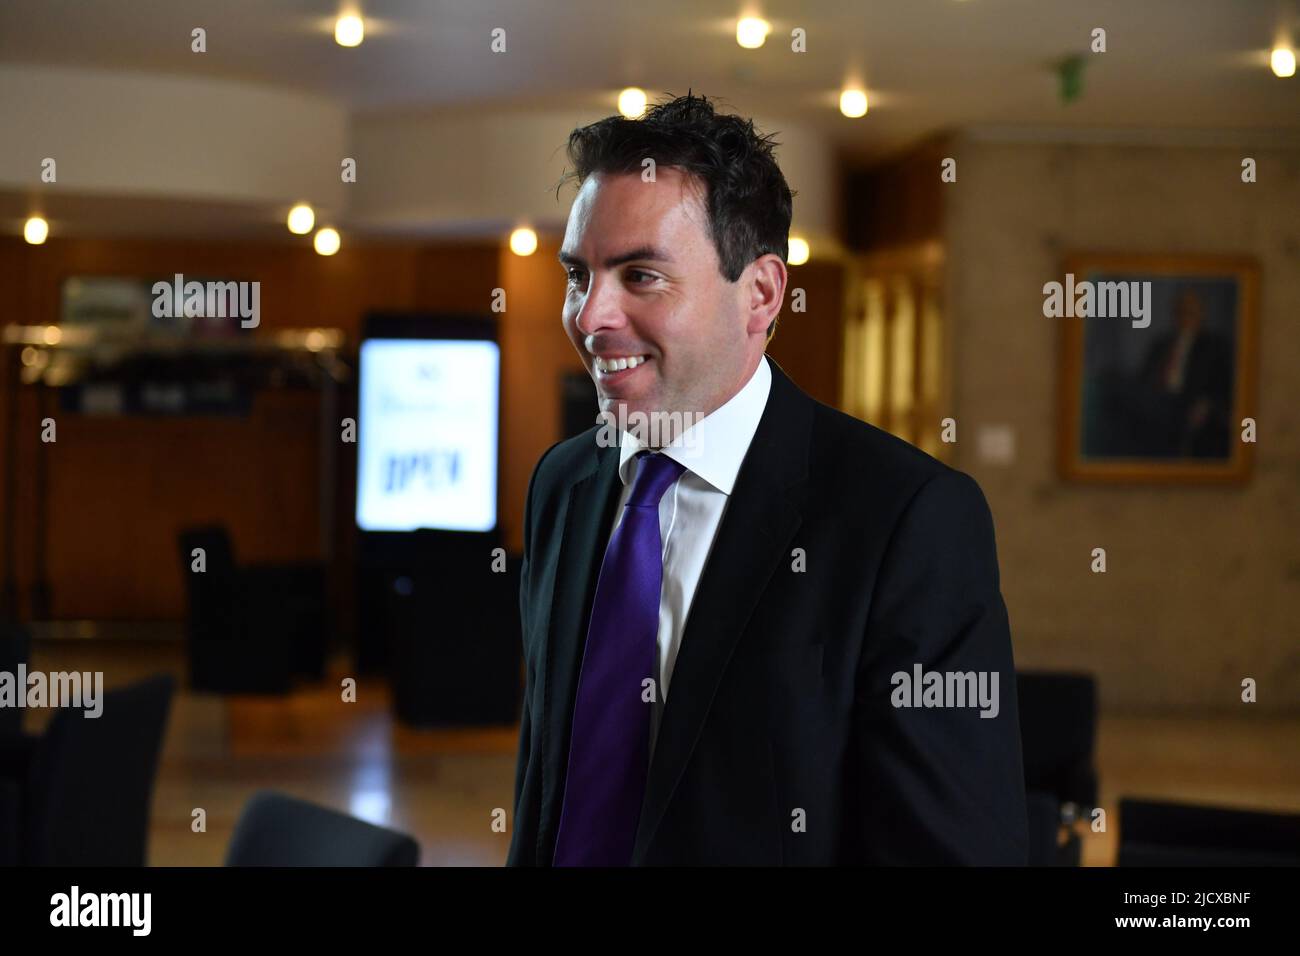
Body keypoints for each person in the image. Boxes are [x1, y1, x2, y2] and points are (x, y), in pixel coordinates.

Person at [507, 93, 1028, 866]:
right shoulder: (564, 481)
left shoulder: (905, 520)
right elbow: (546, 790)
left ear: (760, 294)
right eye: (579, 275)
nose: (590, 317)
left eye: (640, 276)